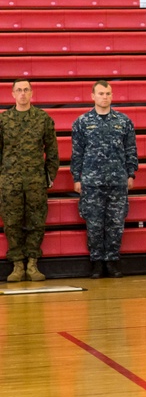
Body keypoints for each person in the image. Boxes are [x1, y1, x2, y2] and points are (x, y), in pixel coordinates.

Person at [71, 80, 139, 279]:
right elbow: (77, 153)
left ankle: (112, 261)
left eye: (108, 93)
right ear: (92, 96)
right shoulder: (82, 122)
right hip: (92, 182)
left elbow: (130, 150)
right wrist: (77, 178)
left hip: (118, 180)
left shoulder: (123, 121)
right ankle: (96, 262)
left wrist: (131, 173)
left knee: (116, 223)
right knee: (93, 224)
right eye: (101, 93)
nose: (104, 97)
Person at [1, 79, 59, 282]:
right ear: (12, 94)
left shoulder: (42, 119)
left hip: (35, 181)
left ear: (32, 93)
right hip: (10, 182)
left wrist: (49, 177)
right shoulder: (4, 120)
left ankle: (33, 264)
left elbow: (52, 151)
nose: (23, 93)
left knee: (36, 222)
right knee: (12, 223)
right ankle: (17, 265)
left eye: (26, 90)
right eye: (19, 90)